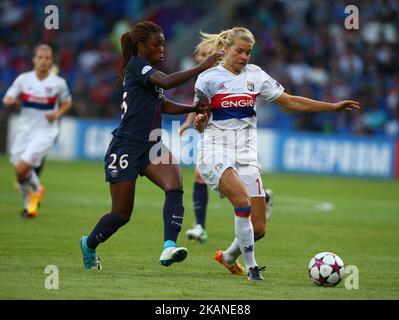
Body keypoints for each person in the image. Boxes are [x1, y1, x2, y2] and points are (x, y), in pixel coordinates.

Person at [193, 27, 360, 281]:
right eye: (239, 51)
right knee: (242, 202)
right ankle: (252, 269)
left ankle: (228, 257)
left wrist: (331, 107)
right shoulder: (207, 79)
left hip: (246, 155)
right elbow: (201, 116)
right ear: (226, 49)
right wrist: (200, 121)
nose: (244, 57)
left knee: (258, 229)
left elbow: (290, 101)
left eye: (248, 52)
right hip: (216, 150)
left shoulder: (256, 76)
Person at [79, 21, 224, 270]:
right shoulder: (137, 66)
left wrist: (193, 107)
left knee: (174, 183)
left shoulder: (149, 72)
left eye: (164, 44)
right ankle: (89, 244)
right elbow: (166, 82)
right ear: (141, 46)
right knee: (121, 215)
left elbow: (163, 103)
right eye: (157, 45)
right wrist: (201, 67)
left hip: (152, 144)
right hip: (125, 146)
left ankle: (169, 246)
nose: (162, 49)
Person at [180, 44, 275, 243]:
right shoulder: (207, 78)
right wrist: (192, 122)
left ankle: (203, 225)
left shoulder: (227, 75)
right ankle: (201, 226)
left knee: (210, 176)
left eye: (207, 55)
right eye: (202, 55)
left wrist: (192, 121)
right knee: (202, 174)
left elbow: (202, 106)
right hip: (214, 138)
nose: (204, 58)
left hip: (235, 141)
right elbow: (200, 105)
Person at [2, 44, 72, 218]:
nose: (43, 61)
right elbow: (7, 98)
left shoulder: (58, 83)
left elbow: (67, 102)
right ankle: (31, 202)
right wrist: (11, 101)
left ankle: (36, 191)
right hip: (24, 131)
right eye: (40, 57)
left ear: (51, 61)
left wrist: (57, 113)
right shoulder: (23, 79)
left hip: (45, 132)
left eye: (47, 58)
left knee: (21, 169)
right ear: (34, 60)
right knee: (21, 173)